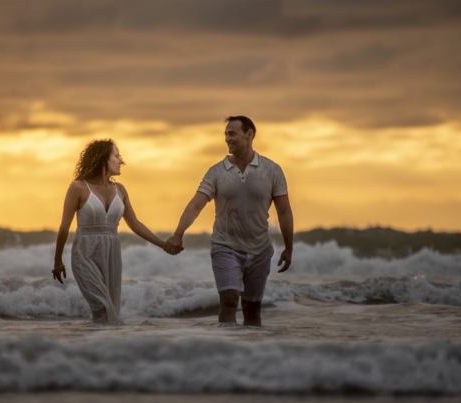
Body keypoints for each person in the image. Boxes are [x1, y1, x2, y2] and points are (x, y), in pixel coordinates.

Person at [164, 116, 294, 326]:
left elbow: (285, 212)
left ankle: (248, 354)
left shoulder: (272, 170)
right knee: (229, 300)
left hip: (260, 250)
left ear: (249, 134)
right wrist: (178, 233)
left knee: (252, 309)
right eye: (225, 134)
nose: (227, 139)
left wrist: (289, 247)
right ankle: (226, 350)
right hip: (225, 247)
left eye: (232, 133)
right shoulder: (217, 172)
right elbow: (196, 204)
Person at [52, 139, 167, 323]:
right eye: (117, 156)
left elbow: (135, 224)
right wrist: (58, 260)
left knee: (108, 313)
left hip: (111, 256)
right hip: (85, 255)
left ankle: (100, 347)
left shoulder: (120, 190)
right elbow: (64, 226)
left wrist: (163, 244)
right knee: (102, 306)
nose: (121, 161)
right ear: (103, 158)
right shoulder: (79, 187)